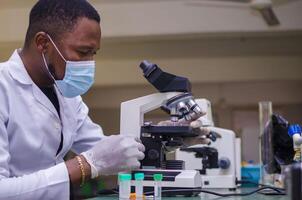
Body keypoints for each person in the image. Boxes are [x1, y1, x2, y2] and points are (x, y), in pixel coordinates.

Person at [0, 0, 208, 199]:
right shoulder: (3, 87)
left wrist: (163, 140)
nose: (89, 63)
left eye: (93, 53)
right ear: (43, 43)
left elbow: (110, 152)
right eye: (83, 52)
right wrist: (85, 165)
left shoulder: (66, 95)